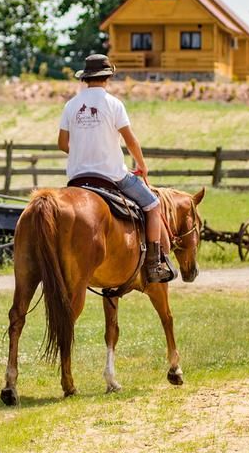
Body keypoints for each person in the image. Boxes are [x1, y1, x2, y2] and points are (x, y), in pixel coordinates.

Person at [58, 53, 175, 283]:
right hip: (113, 176)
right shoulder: (113, 104)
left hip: (77, 177)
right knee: (153, 205)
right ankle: (154, 264)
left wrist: (83, 153)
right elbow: (130, 141)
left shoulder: (71, 105)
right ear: (108, 77)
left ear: (85, 78)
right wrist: (141, 166)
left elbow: (62, 144)